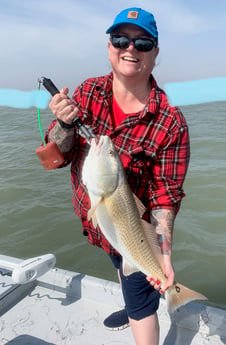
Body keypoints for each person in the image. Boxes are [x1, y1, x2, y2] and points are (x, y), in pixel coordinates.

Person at [45, 7, 190, 345]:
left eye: (143, 43)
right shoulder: (87, 93)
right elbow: (54, 159)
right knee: (123, 270)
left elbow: (166, 196)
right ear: (109, 47)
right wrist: (65, 125)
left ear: (155, 53)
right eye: (120, 39)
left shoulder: (170, 122)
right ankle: (131, 299)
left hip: (134, 233)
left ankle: (142, 310)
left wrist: (163, 256)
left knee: (142, 306)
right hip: (103, 229)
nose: (130, 48)